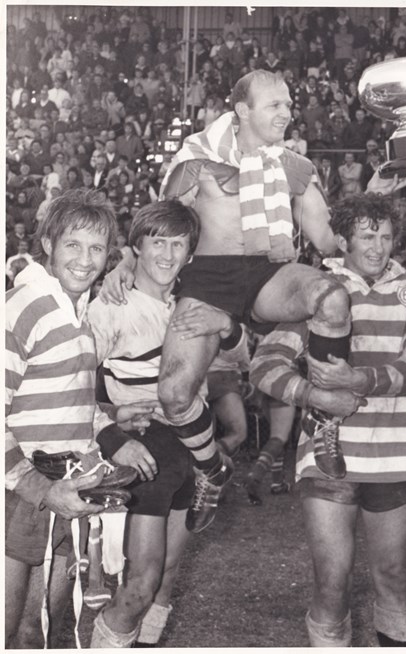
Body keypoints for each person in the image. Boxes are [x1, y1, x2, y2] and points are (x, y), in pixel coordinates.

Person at [97, 70, 353, 532]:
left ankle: (323, 420)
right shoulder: (199, 154)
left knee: (331, 297)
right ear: (242, 110)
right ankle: (212, 469)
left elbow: (326, 240)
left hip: (268, 272)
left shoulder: (294, 166)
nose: (287, 112)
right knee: (174, 394)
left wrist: (366, 221)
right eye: (275, 104)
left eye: (289, 103)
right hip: (207, 278)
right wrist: (124, 260)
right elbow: (163, 218)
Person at [250, 193, 406, 647]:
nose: (377, 247)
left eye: (387, 236)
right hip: (324, 454)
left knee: (392, 576)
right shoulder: (320, 289)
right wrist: (313, 393)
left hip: (393, 455)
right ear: (342, 239)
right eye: (366, 236)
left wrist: (357, 378)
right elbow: (265, 364)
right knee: (332, 584)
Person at [5, 189, 155, 648]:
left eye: (96, 248)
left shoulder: (80, 314)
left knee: (43, 628)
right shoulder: (22, 306)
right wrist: (41, 489)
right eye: (73, 244)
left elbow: (64, 401)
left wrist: (111, 416)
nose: (85, 260)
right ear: (48, 243)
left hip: (67, 486)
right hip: (18, 493)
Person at [87, 201, 238, 647]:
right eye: (157, 242)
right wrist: (111, 428)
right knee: (139, 587)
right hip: (148, 450)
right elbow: (75, 385)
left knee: (167, 580)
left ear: (191, 253)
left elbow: (244, 355)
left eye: (179, 244)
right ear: (137, 247)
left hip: (192, 449)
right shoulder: (112, 305)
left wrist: (227, 324)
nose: (168, 255)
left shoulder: (192, 303)